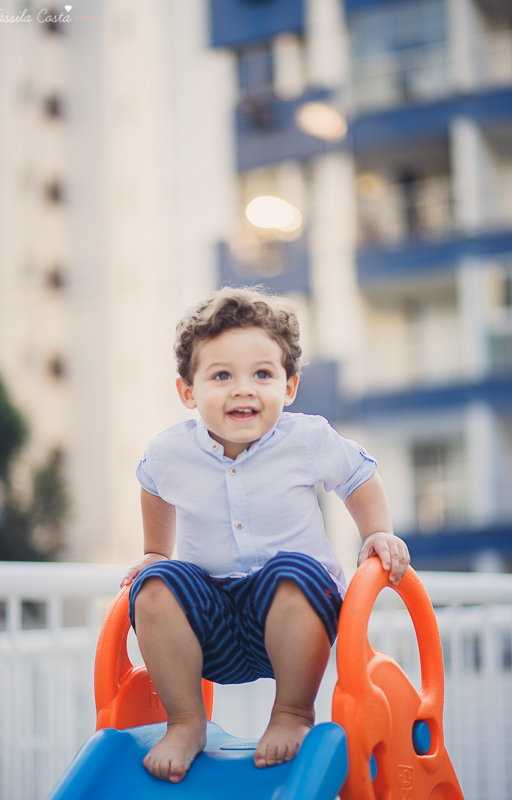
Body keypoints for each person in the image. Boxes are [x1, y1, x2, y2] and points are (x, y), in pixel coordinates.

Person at [121, 286, 410, 784]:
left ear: (289, 386)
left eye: (262, 374)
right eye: (221, 376)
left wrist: (377, 532)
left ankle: (293, 712)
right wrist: (155, 551)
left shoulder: (307, 438)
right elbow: (153, 484)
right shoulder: (170, 452)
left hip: (294, 614)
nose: (243, 389)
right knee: (154, 587)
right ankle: (186, 722)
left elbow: (358, 475)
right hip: (210, 623)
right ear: (187, 391)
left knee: (293, 571)